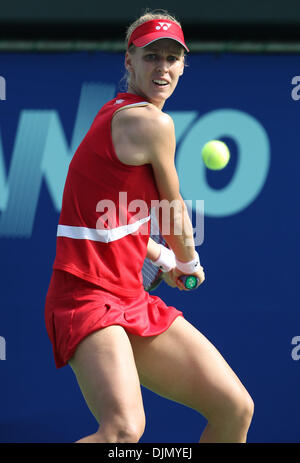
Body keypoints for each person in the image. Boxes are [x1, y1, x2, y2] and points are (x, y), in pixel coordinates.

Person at [44, 9, 254, 443]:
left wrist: (160, 257)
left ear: (182, 64)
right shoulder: (150, 122)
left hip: (128, 295)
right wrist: (188, 259)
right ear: (129, 61)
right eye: (151, 56)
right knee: (122, 431)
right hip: (87, 294)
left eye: (172, 58)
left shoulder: (117, 113)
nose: (163, 68)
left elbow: (117, 219)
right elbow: (173, 210)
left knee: (235, 409)